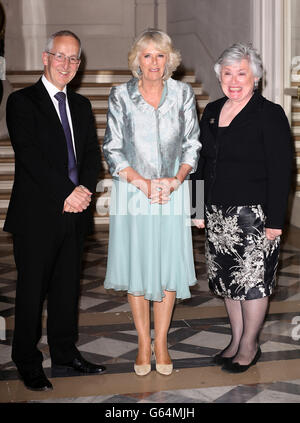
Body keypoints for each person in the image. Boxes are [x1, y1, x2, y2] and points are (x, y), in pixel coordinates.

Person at [5, 30, 106, 391]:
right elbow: (30, 157)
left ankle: (65, 352)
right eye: (59, 56)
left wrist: (83, 192)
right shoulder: (21, 102)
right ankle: (27, 361)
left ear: (79, 65)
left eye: (73, 58)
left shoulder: (80, 105)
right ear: (45, 58)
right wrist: (67, 192)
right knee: (32, 291)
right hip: (37, 215)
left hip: (75, 214)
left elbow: (93, 156)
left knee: (67, 290)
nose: (66, 64)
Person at [103, 29, 201, 376]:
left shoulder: (183, 94)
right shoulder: (121, 96)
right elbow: (112, 149)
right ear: (137, 61)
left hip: (172, 193)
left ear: (169, 59)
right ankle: (144, 343)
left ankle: (162, 342)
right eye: (147, 55)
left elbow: (192, 144)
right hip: (134, 192)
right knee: (138, 268)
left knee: (167, 270)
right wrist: (142, 184)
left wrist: (177, 180)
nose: (154, 62)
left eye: (160, 55)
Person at [193, 42, 293, 373]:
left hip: (254, 217)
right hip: (217, 215)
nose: (234, 80)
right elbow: (200, 162)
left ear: (255, 77)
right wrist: (196, 207)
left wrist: (276, 221)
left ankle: (249, 345)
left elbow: (282, 172)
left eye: (242, 73)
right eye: (227, 73)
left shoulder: (269, 114)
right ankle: (235, 340)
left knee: (252, 284)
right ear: (219, 76)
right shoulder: (211, 110)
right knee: (227, 283)